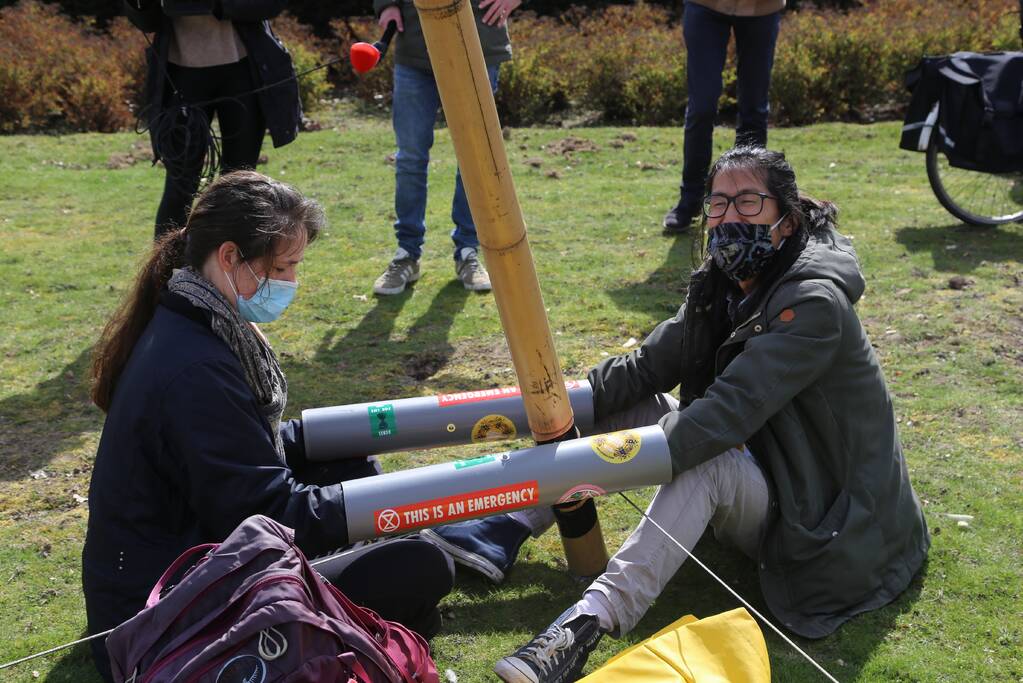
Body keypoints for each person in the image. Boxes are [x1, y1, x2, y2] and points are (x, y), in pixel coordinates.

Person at [494, 146, 931, 683]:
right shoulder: (721, 283)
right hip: (771, 471)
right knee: (628, 405)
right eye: (718, 204)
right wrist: (545, 404)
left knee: (706, 456)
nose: (728, 218)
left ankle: (585, 625)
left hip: (831, 521)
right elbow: (644, 369)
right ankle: (500, 527)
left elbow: (722, 418)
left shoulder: (814, 303)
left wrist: (599, 460)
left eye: (748, 202)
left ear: (787, 219)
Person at [83, 171, 453, 682]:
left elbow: (251, 446)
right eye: (282, 267)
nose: (291, 282)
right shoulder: (195, 367)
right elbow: (267, 511)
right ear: (230, 256)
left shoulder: (195, 320)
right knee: (421, 566)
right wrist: (398, 502)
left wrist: (353, 469)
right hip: (161, 613)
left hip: (188, 559)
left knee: (352, 466)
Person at [370, 0, 521, 295]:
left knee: (474, 157)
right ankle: (407, 254)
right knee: (410, 159)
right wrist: (386, 4)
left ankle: (468, 251)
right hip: (415, 47)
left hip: (478, 45)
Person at [123, 0, 301, 238]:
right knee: (180, 183)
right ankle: (166, 261)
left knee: (239, 183)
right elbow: (148, 22)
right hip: (180, 76)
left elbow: (269, 5)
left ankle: (232, 258)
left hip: (243, 71)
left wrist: (218, 5)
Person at [662, 0, 785, 234]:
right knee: (701, 107)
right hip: (705, 6)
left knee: (754, 109)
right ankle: (691, 200)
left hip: (762, 9)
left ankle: (747, 202)